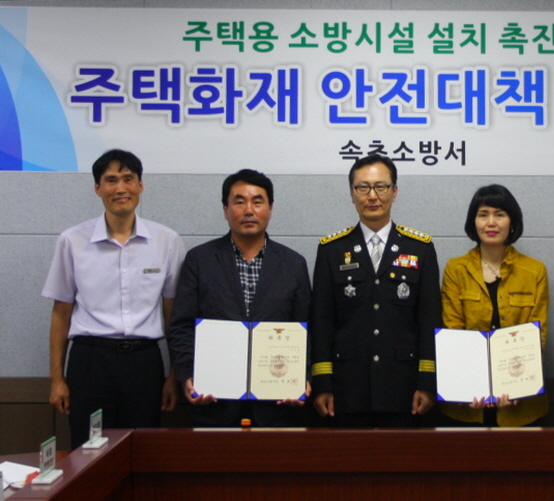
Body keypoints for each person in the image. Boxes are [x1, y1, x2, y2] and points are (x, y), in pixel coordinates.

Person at [42, 149, 184, 449]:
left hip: (145, 362)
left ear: (140, 185)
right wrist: (57, 379)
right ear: (98, 188)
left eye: (128, 179)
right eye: (111, 180)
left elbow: (173, 314)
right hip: (90, 362)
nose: (121, 188)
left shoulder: (167, 241)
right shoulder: (72, 241)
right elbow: (61, 314)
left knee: (143, 450)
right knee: (88, 452)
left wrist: (173, 376)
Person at [167, 169, 311, 427]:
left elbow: (307, 328)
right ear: (225, 209)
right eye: (239, 202)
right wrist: (187, 376)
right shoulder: (199, 260)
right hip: (214, 403)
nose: (249, 210)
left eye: (257, 201)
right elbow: (181, 326)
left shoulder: (293, 264)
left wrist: (304, 378)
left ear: (270, 208)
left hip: (277, 403)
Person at [310, 154, 441, 427]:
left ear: (394, 192)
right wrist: (322, 383)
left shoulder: (420, 249)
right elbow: (322, 322)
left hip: (404, 388)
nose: (372, 196)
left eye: (381, 187)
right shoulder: (331, 250)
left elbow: (429, 320)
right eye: (363, 187)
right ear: (352, 193)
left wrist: (427, 382)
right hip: (347, 388)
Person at [440, 184, 549, 426]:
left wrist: (516, 387)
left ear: (512, 222)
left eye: (499, 214)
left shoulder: (534, 271)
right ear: (473, 222)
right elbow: (453, 331)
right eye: (483, 215)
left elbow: (537, 335)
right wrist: (468, 386)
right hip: (468, 401)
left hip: (521, 400)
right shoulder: (456, 269)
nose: (491, 223)